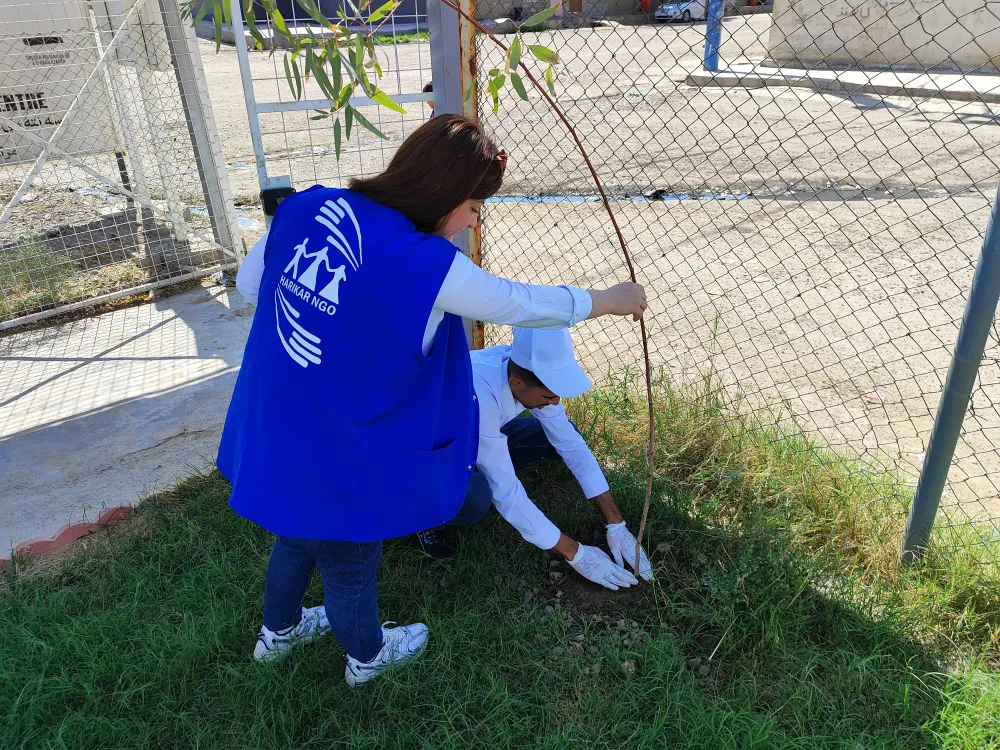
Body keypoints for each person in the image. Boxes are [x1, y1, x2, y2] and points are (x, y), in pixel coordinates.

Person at [220, 114, 647, 687]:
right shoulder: (427, 265)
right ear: (444, 195)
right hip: (341, 439)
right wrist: (608, 299)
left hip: (276, 415)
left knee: (296, 530)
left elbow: (252, 288)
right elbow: (516, 302)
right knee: (350, 553)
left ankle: (280, 631)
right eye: (473, 207)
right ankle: (367, 658)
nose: (473, 221)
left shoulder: (305, 207)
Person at [415, 328, 653, 590]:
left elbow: (571, 446)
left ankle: (478, 468)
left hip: (473, 435)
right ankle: (423, 515)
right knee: (478, 496)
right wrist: (575, 553)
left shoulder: (525, 370)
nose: (555, 403)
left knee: (560, 435)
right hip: (426, 450)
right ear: (517, 384)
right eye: (548, 397)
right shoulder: (477, 393)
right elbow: (507, 492)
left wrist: (616, 522)